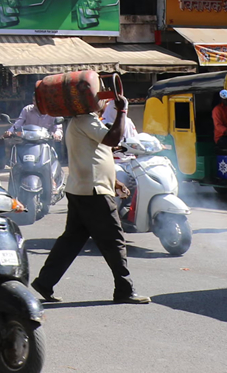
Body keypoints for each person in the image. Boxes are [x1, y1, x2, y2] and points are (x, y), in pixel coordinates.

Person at [32, 94, 149, 305]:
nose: (104, 103)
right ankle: (124, 289)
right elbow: (113, 139)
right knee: (114, 240)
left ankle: (44, 282)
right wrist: (122, 112)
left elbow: (95, 155)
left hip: (82, 189)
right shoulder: (86, 120)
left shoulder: (82, 121)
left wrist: (113, 182)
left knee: (71, 240)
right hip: (93, 192)